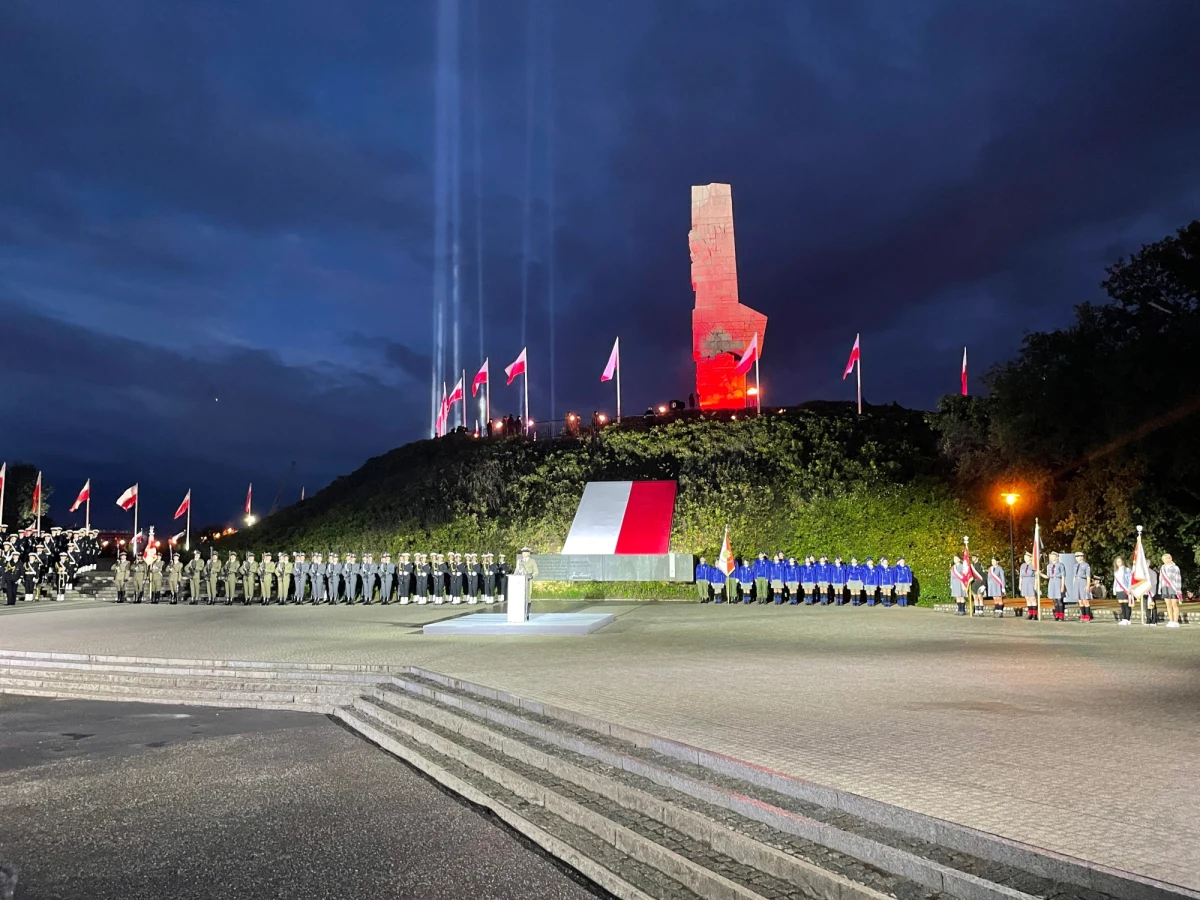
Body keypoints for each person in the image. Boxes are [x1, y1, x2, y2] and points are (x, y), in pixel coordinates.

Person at [1160, 553, 1183, 628]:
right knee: (1168, 605)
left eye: (1168, 558)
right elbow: (1160, 579)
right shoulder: (1162, 568)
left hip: (1173, 588)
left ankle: (1176, 621)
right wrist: (1160, 589)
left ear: (1171, 559)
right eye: (1165, 559)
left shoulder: (1175, 568)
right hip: (1165, 587)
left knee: (1174, 605)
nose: (1166, 560)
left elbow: (1178, 579)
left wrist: (1178, 591)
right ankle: (1171, 620)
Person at [1112, 557, 1132, 625]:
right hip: (1118, 589)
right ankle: (1124, 618)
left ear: (1122, 561)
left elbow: (1130, 580)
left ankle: (1128, 619)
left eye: (1120, 561)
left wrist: (1129, 588)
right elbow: (1115, 581)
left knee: (1126, 604)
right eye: (1117, 562)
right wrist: (1114, 589)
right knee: (1122, 604)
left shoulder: (1127, 570)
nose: (1119, 563)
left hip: (1125, 589)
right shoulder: (1116, 571)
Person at [1073, 552, 1092, 621]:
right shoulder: (1075, 565)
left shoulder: (1086, 565)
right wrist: (1074, 583)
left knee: (1085, 599)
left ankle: (1087, 616)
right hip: (1077, 581)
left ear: (1082, 557)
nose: (1077, 558)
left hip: (1083, 581)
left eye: (1078, 556)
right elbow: (1074, 575)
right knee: (1080, 600)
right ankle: (1083, 615)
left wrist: (1088, 585)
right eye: (1076, 556)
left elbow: (1088, 576)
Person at [1018, 553, 1037, 619]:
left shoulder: (1033, 565)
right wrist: (1020, 584)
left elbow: (1036, 575)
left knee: (1032, 598)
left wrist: (1035, 584)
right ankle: (1030, 614)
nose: (1025, 558)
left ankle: (1035, 614)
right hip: (1025, 582)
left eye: (1026, 557)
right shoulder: (1023, 565)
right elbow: (1021, 576)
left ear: (1030, 558)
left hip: (1031, 581)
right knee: (1027, 598)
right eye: (1024, 557)